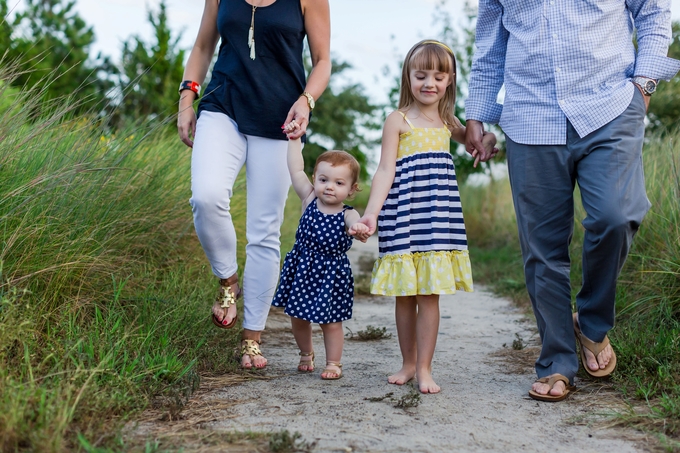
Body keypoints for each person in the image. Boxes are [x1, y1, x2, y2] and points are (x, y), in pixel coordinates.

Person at [465, 0, 680, 401]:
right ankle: (556, 361)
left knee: (617, 215)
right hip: (530, 115)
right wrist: (477, 112)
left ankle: (593, 322)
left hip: (611, 105)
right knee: (542, 250)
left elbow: (652, 10)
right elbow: (490, 45)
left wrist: (644, 83)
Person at [177, 0, 331, 369]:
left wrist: (306, 101)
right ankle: (228, 281)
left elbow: (322, 60)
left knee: (264, 230)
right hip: (222, 105)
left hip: (280, 117)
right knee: (206, 196)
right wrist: (187, 97)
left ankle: (252, 339)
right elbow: (202, 46)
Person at [354, 40, 498, 394]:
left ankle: (424, 368)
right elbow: (385, 169)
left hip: (436, 220)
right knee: (405, 295)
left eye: (438, 76)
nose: (429, 83)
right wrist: (371, 213)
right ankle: (406, 363)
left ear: (449, 80)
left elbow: (476, 141)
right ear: (409, 77)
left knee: (429, 294)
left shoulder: (448, 122)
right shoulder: (397, 120)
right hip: (403, 217)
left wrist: (489, 137)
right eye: (421, 75)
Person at [271, 130, 369, 380]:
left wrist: (358, 229)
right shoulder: (309, 198)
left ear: (351, 189)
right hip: (302, 268)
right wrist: (294, 141)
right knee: (298, 316)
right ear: (315, 179)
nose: (329, 187)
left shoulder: (347, 213)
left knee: (330, 321)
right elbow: (295, 169)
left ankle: (334, 363)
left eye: (339, 183)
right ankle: (306, 353)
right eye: (324, 179)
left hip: (330, 274)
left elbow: (356, 222)